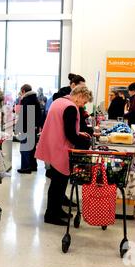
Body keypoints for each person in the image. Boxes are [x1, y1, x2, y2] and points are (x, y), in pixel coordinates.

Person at [35, 86, 93, 226]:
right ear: (79, 95)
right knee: (59, 183)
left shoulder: (59, 101)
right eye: (84, 102)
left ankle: (56, 210)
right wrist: (85, 142)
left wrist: (79, 134)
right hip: (61, 148)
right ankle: (51, 215)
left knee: (56, 182)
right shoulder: (71, 107)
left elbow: (61, 126)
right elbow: (70, 134)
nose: (83, 105)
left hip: (52, 145)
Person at [16, 84, 42, 174]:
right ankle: (33, 166)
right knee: (32, 148)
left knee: (24, 148)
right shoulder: (35, 99)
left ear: (23, 90)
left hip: (26, 127)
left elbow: (24, 115)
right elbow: (39, 115)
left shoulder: (26, 100)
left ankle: (26, 167)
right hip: (33, 126)